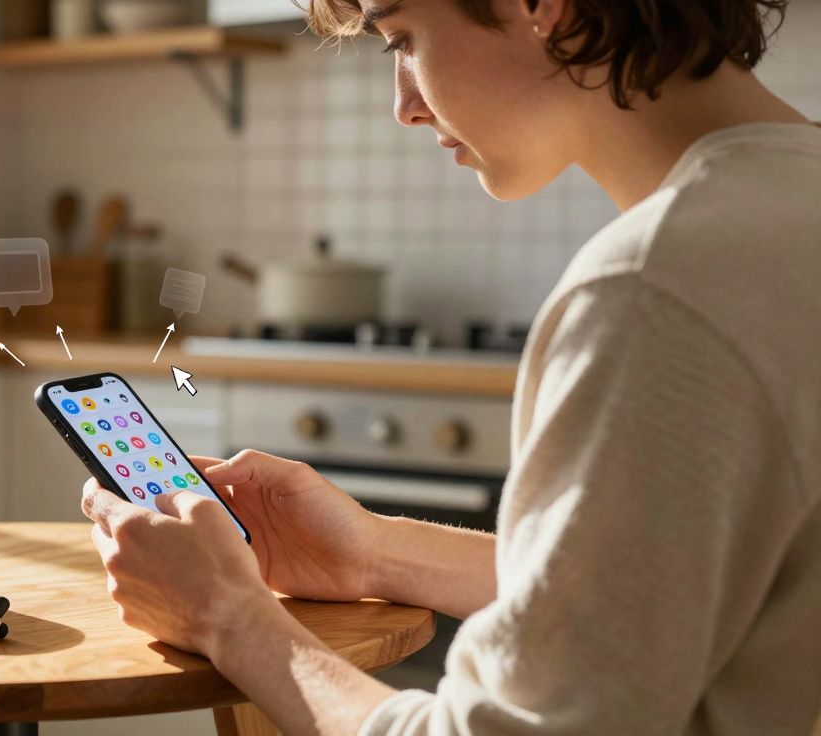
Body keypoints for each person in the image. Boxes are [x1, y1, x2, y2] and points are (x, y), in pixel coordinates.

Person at [80, 0, 821, 733]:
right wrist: (374, 553)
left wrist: (229, 618)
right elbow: (660, 603)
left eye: (403, 37)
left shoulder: (654, 287)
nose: (402, 106)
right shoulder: (786, 209)